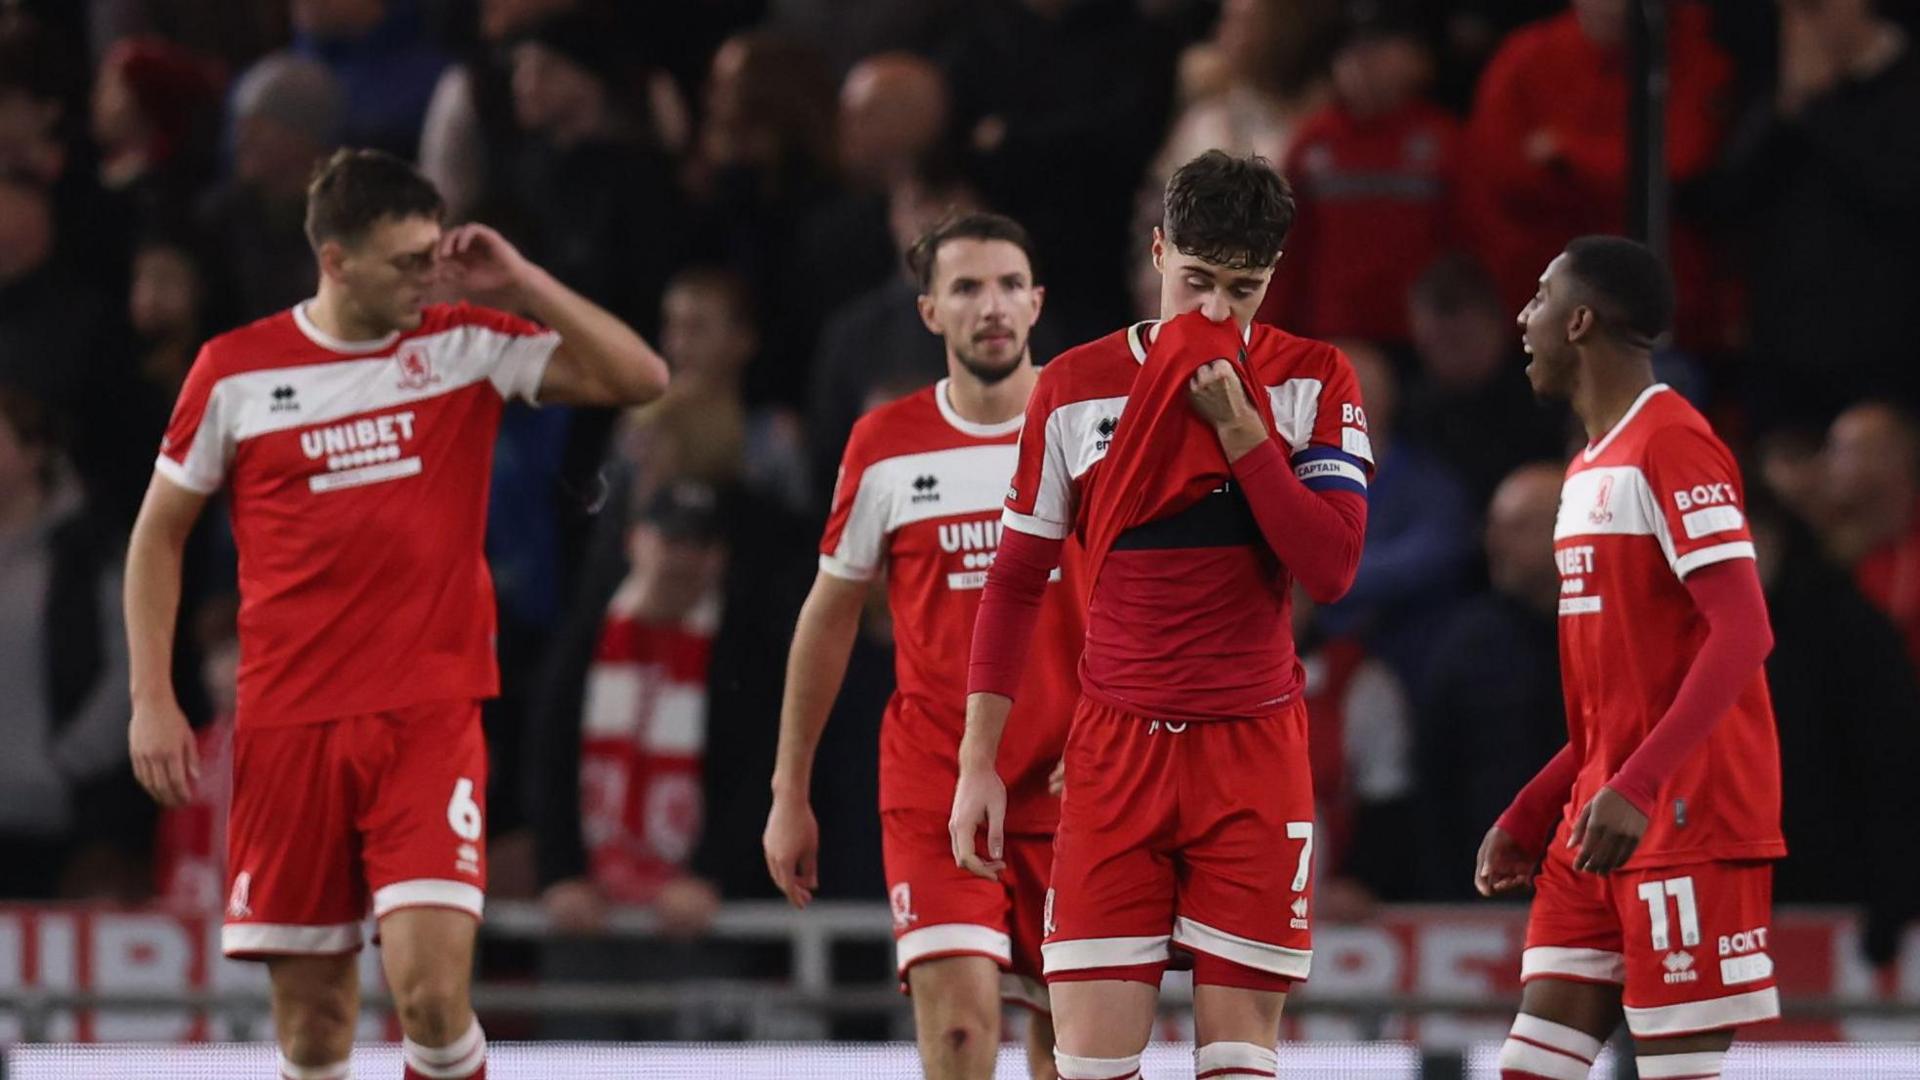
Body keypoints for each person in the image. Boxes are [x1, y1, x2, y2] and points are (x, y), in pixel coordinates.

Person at [124, 148, 668, 1080]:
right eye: (404, 262)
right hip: (289, 724)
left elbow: (639, 377)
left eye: (433, 256)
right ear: (334, 262)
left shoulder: (461, 343)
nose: (428, 277)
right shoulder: (236, 372)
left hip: (427, 714)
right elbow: (156, 537)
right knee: (314, 1027)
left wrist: (525, 279)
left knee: (429, 994)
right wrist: (153, 698)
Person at [954, 150, 1373, 1080]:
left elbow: (1332, 568)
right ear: (1156, 252)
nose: (1216, 314)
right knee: (1091, 1067)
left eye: (1243, 288)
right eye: (1196, 281)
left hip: (1252, 754)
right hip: (1116, 754)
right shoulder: (1071, 387)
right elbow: (1016, 582)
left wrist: (1246, 436)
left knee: (1236, 1063)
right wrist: (979, 761)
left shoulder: (1312, 381)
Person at [763, 212, 1083, 1080]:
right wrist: (790, 787)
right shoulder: (885, 446)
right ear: (929, 312)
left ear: (1037, 303)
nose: (993, 306)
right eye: (968, 288)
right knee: (959, 1037)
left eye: (1011, 285)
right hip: (936, 780)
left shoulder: (1095, 427)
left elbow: (1158, 595)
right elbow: (829, 617)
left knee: (1078, 1055)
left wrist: (1117, 721)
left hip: (1074, 779)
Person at [1477, 237, 1782, 1080]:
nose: (1523, 317)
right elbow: (1621, 700)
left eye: (1539, 298)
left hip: (1685, 818)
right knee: (1531, 1069)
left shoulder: (1672, 444)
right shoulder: (1584, 471)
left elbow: (1745, 632)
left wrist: (1639, 788)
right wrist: (1533, 809)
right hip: (1601, 817)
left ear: (1580, 321)